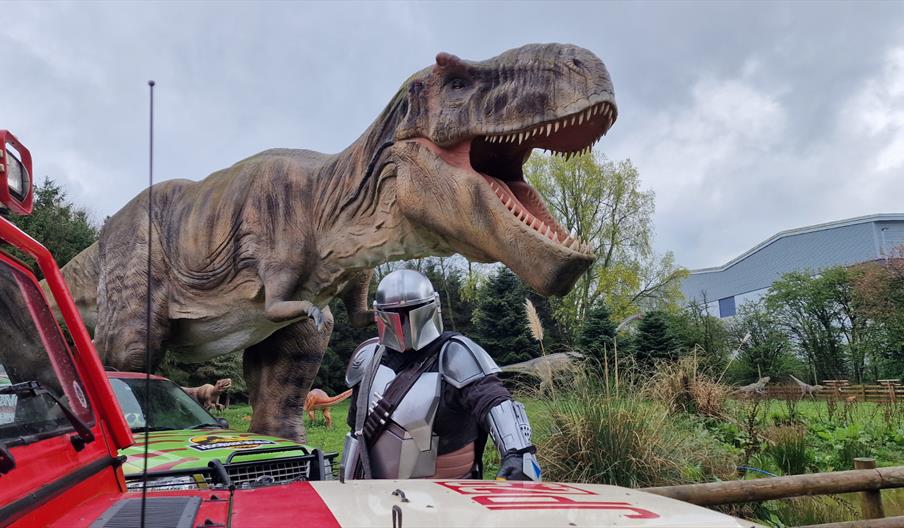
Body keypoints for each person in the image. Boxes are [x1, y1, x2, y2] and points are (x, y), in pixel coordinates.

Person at [340, 269, 541, 481]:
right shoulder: (368, 358)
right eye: (394, 314)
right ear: (378, 313)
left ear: (433, 306)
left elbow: (494, 400)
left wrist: (517, 454)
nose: (403, 323)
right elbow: (357, 431)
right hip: (373, 496)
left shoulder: (455, 354)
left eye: (412, 311)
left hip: (446, 500)